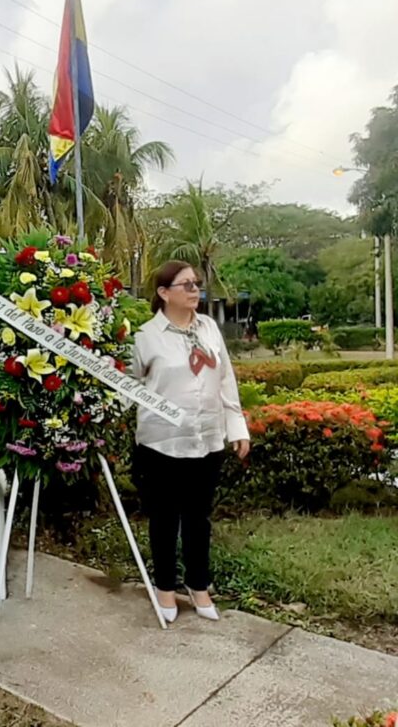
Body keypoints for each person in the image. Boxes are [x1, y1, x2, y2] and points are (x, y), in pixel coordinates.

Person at [132, 260, 250, 623]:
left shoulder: (210, 328)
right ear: (164, 293)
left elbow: (225, 378)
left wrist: (237, 427)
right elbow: (129, 385)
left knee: (199, 519)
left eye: (196, 284)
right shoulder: (145, 336)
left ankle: (199, 586)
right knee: (164, 520)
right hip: (161, 444)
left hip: (207, 439)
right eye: (185, 285)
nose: (194, 290)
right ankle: (165, 589)